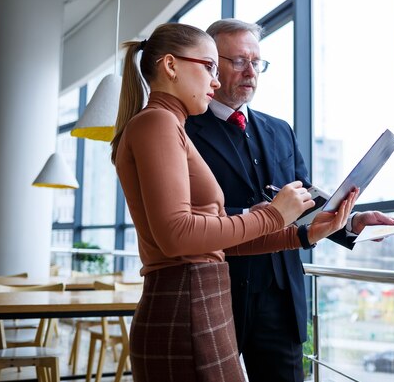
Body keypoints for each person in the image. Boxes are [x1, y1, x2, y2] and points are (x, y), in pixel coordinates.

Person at [111, 22, 358, 382]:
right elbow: (178, 235)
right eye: (209, 67)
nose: (214, 81)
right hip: (187, 305)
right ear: (171, 65)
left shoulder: (167, 124)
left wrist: (301, 235)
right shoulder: (159, 124)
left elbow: (213, 243)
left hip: (200, 303)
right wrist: (274, 216)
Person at [185, 18, 394, 382]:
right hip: (217, 289)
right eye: (238, 61)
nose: (250, 71)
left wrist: (351, 222)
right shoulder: (186, 127)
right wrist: (259, 215)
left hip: (281, 296)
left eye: (257, 62)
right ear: (211, 64)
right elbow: (190, 212)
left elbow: (305, 202)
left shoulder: (280, 129)